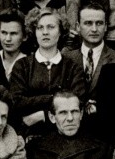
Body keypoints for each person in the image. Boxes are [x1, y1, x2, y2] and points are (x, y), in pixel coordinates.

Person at [9, 8, 86, 138]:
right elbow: (16, 102)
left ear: (61, 31)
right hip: (29, 135)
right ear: (34, 32)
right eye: (40, 28)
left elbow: (78, 101)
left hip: (66, 135)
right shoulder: (22, 66)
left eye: (51, 27)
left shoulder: (72, 67)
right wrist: (52, 98)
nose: (45, 32)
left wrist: (42, 115)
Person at [62, 3, 115, 109]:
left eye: (99, 23)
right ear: (78, 26)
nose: (94, 29)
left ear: (106, 26)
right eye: (88, 23)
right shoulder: (66, 58)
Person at [0, 7, 27, 81]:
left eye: (13, 33)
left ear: (24, 36)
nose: (8, 39)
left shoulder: (29, 64)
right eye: (4, 33)